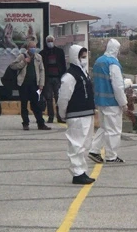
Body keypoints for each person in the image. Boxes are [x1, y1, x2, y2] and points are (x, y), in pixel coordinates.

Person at [58, 45, 97, 185]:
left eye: (85, 56)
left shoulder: (83, 73)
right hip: (76, 115)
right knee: (76, 144)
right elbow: (63, 97)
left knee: (84, 144)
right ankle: (77, 173)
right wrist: (62, 113)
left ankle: (81, 170)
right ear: (75, 57)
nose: (84, 59)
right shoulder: (70, 76)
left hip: (87, 114)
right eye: (82, 57)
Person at [88, 39, 128, 164]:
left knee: (104, 128)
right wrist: (123, 103)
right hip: (112, 102)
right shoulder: (113, 64)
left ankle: (94, 150)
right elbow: (118, 86)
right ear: (116, 49)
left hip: (100, 100)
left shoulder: (98, 61)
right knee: (114, 130)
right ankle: (111, 156)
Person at [10, 41, 51, 131]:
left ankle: (40, 123)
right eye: (31, 47)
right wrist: (24, 62)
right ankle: (25, 123)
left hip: (35, 85)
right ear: (28, 48)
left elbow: (42, 71)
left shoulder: (38, 57)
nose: (33, 49)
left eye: (35, 47)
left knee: (36, 104)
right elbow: (13, 66)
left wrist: (41, 84)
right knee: (24, 104)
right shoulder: (22, 56)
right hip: (23, 85)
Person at [39, 35, 67, 123]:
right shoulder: (42, 53)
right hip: (47, 79)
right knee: (49, 98)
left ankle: (59, 116)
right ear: (46, 42)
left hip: (58, 78)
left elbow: (63, 65)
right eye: (48, 41)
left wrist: (64, 77)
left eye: (51, 41)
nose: (50, 42)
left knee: (58, 98)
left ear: (54, 41)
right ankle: (51, 117)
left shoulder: (59, 52)